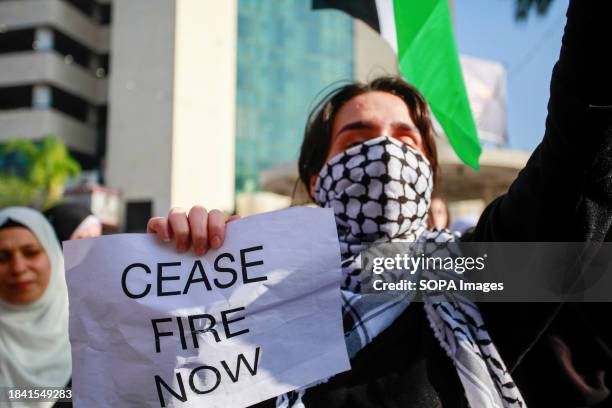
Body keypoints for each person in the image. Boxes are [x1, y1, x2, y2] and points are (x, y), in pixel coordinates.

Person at [148, 2, 612, 406]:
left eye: (406, 138)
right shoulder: (251, 290)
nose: (386, 152)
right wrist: (186, 273)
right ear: (315, 178)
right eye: (358, 137)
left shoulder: (474, 275)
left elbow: (577, 154)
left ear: (428, 176)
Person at [0, 207, 72, 408]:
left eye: (31, 253)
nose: (18, 268)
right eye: (2, 257)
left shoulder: (93, 332)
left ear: (53, 255)